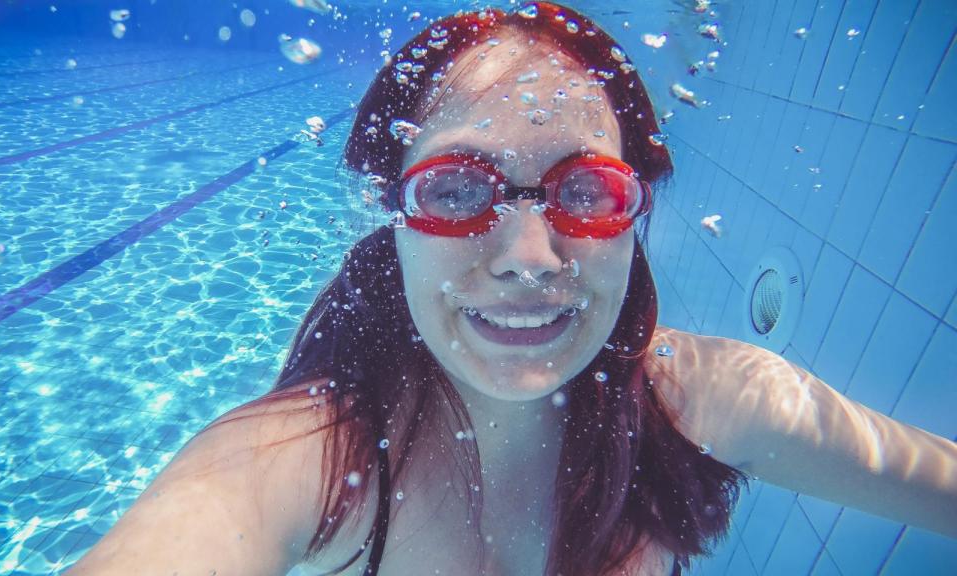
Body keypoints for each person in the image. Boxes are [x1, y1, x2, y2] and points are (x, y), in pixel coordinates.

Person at [67, 3, 957, 575]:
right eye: (456, 190)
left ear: (633, 212)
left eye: (584, 191)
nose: (531, 255)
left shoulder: (698, 400)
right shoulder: (309, 459)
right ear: (397, 218)